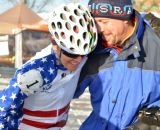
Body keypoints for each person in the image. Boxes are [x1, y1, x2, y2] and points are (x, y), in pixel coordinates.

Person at [0, 3, 97, 130]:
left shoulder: (82, 57)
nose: (78, 60)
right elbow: (5, 107)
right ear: (55, 43)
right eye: (71, 53)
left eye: (83, 53)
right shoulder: (35, 71)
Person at [74, 0, 160, 130]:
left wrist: (150, 124)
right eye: (94, 22)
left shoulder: (156, 41)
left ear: (124, 16)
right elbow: (65, 90)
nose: (98, 29)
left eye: (103, 22)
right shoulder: (92, 47)